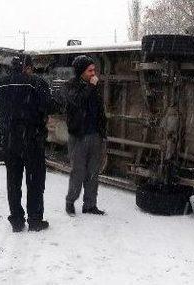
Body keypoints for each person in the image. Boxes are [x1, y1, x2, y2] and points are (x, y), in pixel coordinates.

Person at [0, 55, 54, 232]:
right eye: (31, 68)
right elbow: (48, 105)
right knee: (35, 181)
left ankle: (17, 220)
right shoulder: (36, 83)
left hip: (10, 139)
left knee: (13, 181)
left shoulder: (1, 84)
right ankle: (35, 220)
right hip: (32, 138)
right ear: (27, 67)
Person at [61, 55, 107, 216]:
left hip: (95, 135)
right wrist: (91, 87)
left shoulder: (94, 86)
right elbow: (78, 101)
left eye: (94, 70)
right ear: (81, 71)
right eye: (90, 70)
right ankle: (70, 202)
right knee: (78, 172)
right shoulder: (70, 86)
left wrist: (103, 131)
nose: (94, 73)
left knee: (93, 173)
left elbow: (100, 110)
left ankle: (90, 204)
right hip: (79, 136)